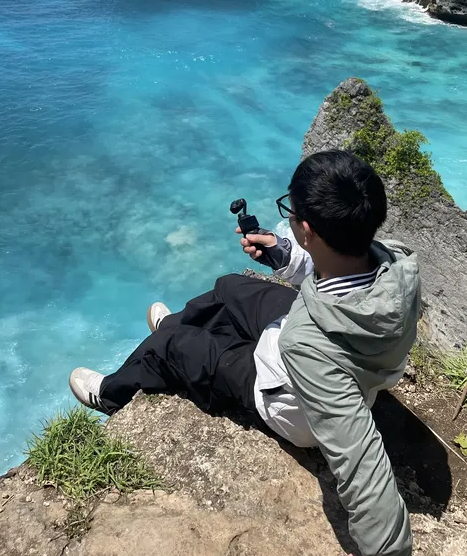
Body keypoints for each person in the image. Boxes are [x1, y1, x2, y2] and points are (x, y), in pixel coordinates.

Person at [69, 150, 420, 556]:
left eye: (291, 211)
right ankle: (175, 325)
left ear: (307, 230)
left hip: (282, 395)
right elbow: (336, 266)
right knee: (230, 286)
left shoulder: (307, 346)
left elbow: (361, 464)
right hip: (327, 333)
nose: (289, 218)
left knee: (171, 347)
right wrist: (283, 253)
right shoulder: (394, 261)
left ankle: (110, 394)